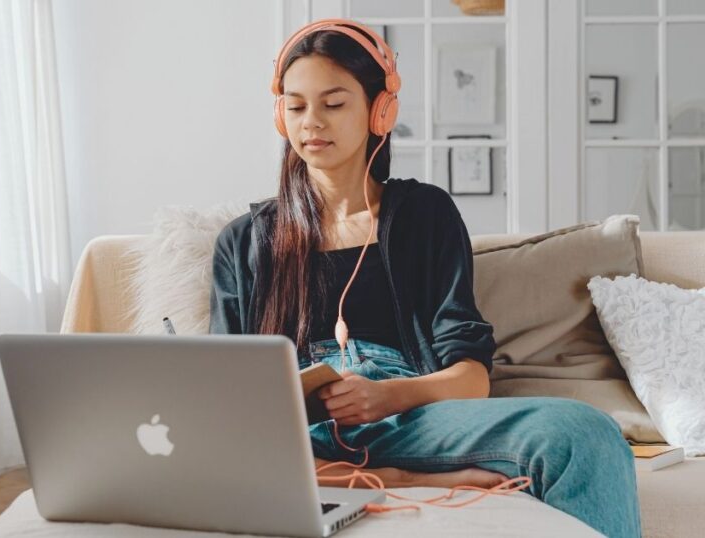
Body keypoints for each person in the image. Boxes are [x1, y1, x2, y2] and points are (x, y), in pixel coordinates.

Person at [208, 19, 641, 537]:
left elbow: (471, 377)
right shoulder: (243, 242)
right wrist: (399, 478)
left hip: (412, 416)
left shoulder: (424, 214)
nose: (312, 123)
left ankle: (375, 469)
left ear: (379, 110)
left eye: (334, 103)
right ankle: (383, 478)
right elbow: (224, 402)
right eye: (296, 106)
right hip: (295, 435)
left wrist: (388, 396)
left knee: (583, 433)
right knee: (208, 453)